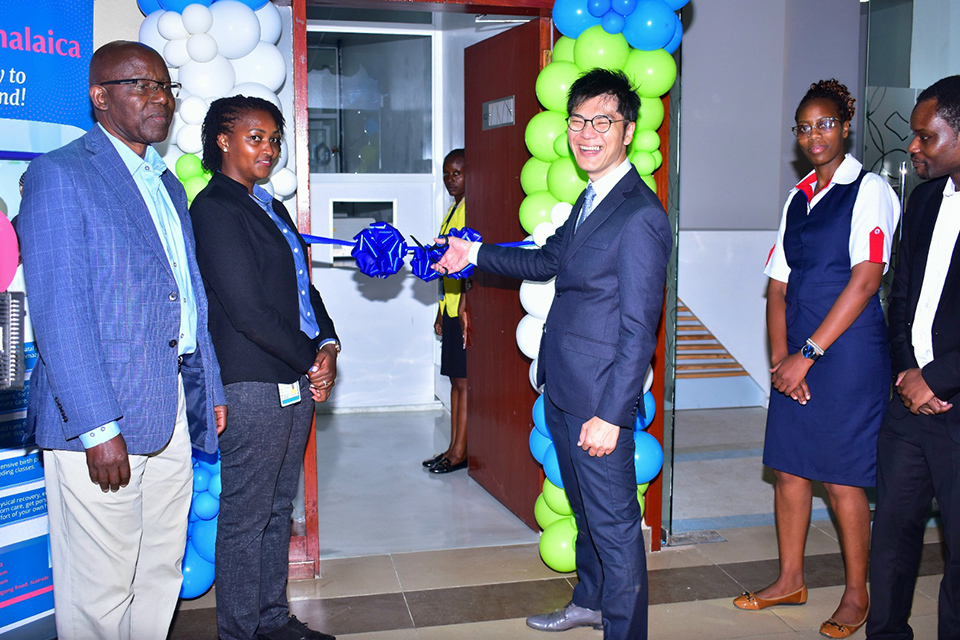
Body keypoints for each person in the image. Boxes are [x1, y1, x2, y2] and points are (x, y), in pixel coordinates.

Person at [435, 68, 670, 639]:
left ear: (628, 130)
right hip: (566, 389)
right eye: (578, 121)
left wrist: (612, 415)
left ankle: (624, 630)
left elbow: (640, 331)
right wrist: (474, 254)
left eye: (602, 121)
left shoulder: (640, 215)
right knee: (588, 516)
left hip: (599, 402)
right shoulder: (592, 199)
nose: (586, 133)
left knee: (616, 530)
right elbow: (545, 263)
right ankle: (589, 602)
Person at [16, 41, 228, 640]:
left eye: (165, 86)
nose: (158, 97)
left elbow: (189, 296)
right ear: (99, 96)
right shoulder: (61, 175)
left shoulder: (165, 182)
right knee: (100, 588)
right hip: (101, 422)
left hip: (174, 411)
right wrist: (98, 427)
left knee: (158, 568)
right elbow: (61, 316)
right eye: (140, 85)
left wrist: (207, 385)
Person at [733, 80, 900, 639]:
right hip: (798, 353)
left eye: (825, 124)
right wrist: (782, 359)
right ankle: (790, 579)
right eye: (804, 128)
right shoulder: (797, 196)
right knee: (789, 469)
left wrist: (807, 354)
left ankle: (858, 595)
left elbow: (865, 280)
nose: (814, 136)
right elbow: (777, 286)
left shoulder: (870, 189)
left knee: (844, 477)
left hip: (847, 354)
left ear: (846, 126)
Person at [190, 95, 340, 640]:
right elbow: (249, 311)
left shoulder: (268, 206)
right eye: (257, 137)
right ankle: (238, 630)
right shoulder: (215, 209)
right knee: (245, 517)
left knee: (279, 508)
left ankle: (272, 620)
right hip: (251, 380)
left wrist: (327, 343)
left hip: (293, 377)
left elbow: (304, 287)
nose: (269, 149)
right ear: (223, 141)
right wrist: (310, 360)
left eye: (275, 139)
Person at [866, 75, 960, 640]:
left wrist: (937, 379)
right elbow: (899, 294)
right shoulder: (924, 199)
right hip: (908, 405)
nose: (914, 147)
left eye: (927, 137)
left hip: (955, 404)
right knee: (893, 539)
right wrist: (907, 373)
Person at [422, 148, 473, 474]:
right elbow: (446, 269)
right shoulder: (452, 211)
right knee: (455, 382)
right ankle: (453, 447)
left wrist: (463, 305)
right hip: (451, 308)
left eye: (457, 173)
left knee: (464, 384)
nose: (450, 179)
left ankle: (461, 452)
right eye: (446, 173)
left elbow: (469, 266)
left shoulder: (471, 210)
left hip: (464, 311)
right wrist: (442, 310)